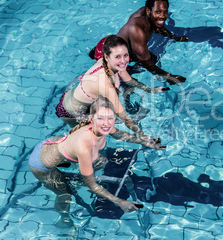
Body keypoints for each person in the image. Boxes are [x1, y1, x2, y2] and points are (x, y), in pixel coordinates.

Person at [30, 96, 165, 228]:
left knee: (101, 160)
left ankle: (76, 173)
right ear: (91, 119)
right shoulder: (84, 148)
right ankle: (64, 220)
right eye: (100, 118)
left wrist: (146, 142)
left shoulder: (104, 125)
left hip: (56, 146)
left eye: (110, 118)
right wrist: (120, 202)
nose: (106, 123)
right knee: (65, 193)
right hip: (42, 163)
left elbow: (119, 134)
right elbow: (93, 185)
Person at [56, 35, 165, 142]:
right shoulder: (105, 84)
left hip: (79, 98)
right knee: (100, 136)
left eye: (125, 55)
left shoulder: (116, 64)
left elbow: (129, 81)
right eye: (118, 56)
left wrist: (151, 89)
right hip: (72, 112)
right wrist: (144, 137)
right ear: (106, 57)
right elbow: (125, 118)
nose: (123, 61)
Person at [89, 0, 188, 85]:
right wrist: (169, 77)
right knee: (130, 84)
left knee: (151, 58)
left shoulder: (149, 15)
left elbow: (159, 27)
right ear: (148, 11)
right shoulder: (137, 30)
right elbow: (146, 62)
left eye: (165, 12)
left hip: (111, 41)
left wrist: (175, 38)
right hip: (110, 55)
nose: (162, 16)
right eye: (158, 12)